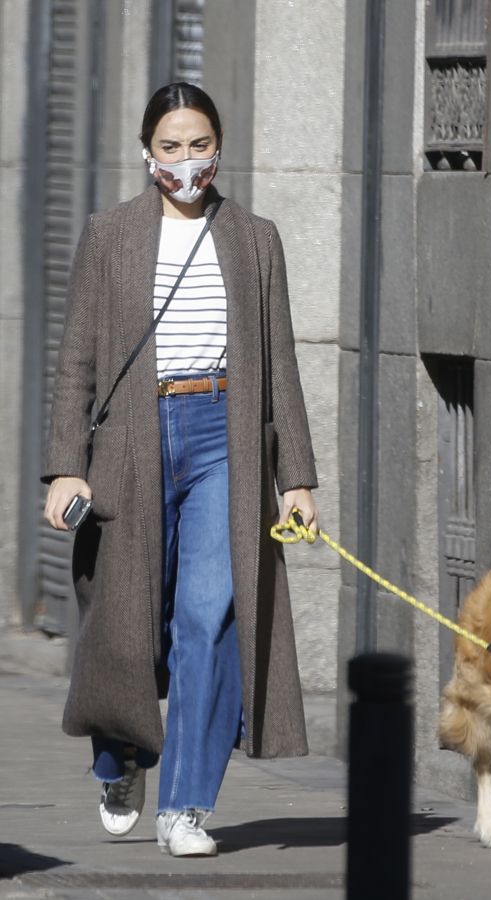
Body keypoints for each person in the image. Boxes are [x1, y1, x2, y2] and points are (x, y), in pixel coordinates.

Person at [43, 81, 318, 858]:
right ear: (147, 151)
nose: (187, 161)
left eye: (200, 145)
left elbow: (282, 368)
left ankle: (186, 806)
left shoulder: (255, 238)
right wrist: (65, 467)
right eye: (171, 146)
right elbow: (77, 364)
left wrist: (296, 476)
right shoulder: (109, 235)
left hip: (222, 435)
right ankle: (118, 752)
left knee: (210, 613)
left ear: (220, 147)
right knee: (126, 619)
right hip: (132, 437)